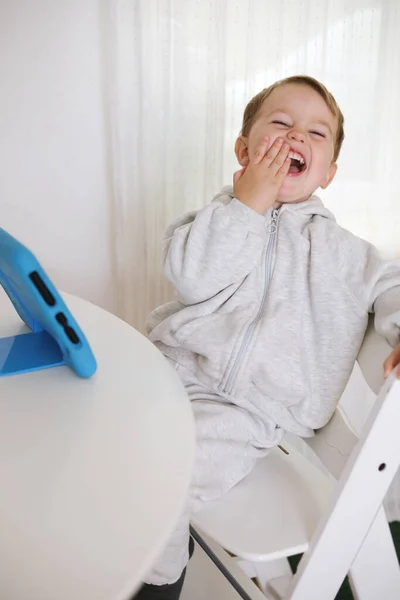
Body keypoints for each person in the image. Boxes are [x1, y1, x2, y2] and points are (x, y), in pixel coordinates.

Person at [135, 75, 400, 600]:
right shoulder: (211, 220)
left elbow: (393, 285)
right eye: (279, 123)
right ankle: (131, 547)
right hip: (165, 372)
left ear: (328, 172)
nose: (296, 135)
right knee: (98, 442)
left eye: (316, 133)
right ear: (244, 149)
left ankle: (152, 583)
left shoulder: (350, 255)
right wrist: (245, 206)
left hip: (244, 412)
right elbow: (192, 275)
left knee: (156, 480)